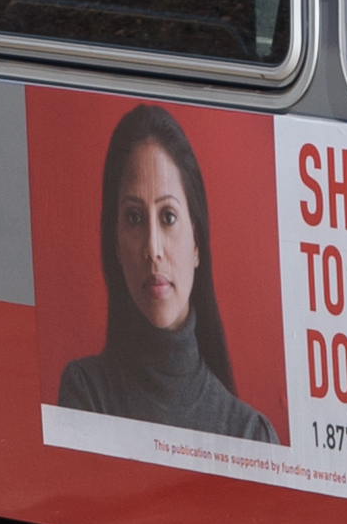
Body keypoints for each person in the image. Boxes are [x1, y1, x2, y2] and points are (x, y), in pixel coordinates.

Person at [52, 101, 278, 442]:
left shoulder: (249, 433)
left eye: (168, 217)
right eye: (134, 218)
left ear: (197, 242)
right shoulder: (86, 393)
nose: (152, 249)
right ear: (115, 243)